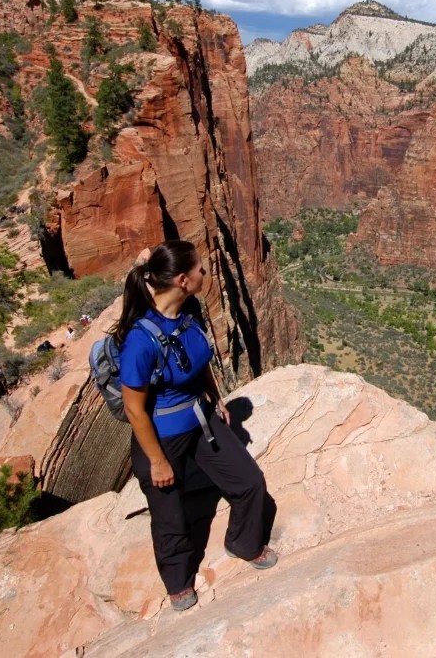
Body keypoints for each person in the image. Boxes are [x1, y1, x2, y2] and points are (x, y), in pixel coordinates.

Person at [114, 240, 277, 612]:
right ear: (183, 279)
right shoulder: (140, 340)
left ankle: (244, 543)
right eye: (201, 269)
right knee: (171, 517)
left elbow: (198, 358)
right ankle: (178, 581)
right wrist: (156, 461)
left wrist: (214, 394)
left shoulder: (190, 310)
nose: (207, 273)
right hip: (162, 437)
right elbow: (134, 409)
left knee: (250, 482)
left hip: (201, 419)